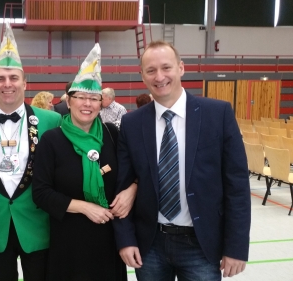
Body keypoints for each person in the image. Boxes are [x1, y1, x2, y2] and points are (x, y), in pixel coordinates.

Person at [113, 40, 251, 280]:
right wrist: (125, 240)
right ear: (142, 76)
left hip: (201, 243)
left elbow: (237, 186)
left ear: (181, 68)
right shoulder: (132, 123)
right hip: (150, 243)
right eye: (151, 70)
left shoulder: (218, 114)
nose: (160, 77)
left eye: (166, 68)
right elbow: (122, 186)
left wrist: (236, 247)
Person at [0, 23, 61, 281]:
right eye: (1, 79)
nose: (8, 84)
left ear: (25, 83)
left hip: (38, 224)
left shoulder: (51, 120)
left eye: (14, 78)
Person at [33, 43, 133, 281]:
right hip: (68, 240)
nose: (87, 104)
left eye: (94, 98)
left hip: (109, 238)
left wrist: (132, 190)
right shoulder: (52, 140)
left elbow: (133, 174)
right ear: (68, 101)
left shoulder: (112, 134)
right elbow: (41, 193)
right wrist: (85, 207)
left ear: (101, 103)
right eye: (80, 97)